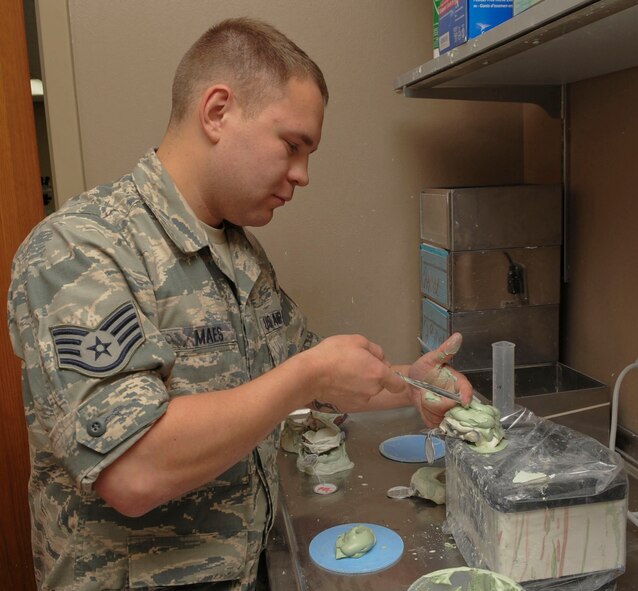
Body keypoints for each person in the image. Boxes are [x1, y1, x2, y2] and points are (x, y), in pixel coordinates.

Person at [8, 17, 472, 591]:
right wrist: (307, 375)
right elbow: (132, 470)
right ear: (218, 112)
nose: (302, 175)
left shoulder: (239, 254)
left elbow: (316, 375)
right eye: (292, 145)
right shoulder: (79, 248)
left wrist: (412, 383)